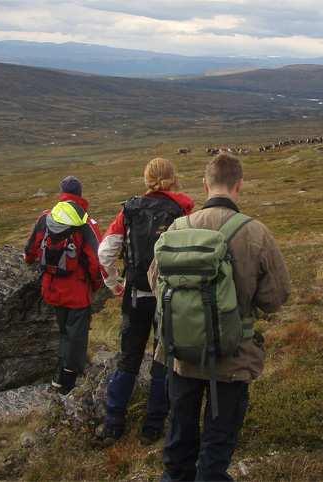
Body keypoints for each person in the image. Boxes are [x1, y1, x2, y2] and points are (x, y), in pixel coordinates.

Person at [149, 154, 291, 482]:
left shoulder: (177, 227)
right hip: (233, 355)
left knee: (179, 438)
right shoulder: (255, 232)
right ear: (239, 185)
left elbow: (154, 281)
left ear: (205, 185)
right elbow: (276, 298)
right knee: (218, 442)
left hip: (180, 353)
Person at [97, 158, 194, 445]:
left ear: (146, 178)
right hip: (170, 296)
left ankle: (113, 423)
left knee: (128, 360)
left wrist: (116, 285)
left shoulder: (129, 210)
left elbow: (104, 254)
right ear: (173, 178)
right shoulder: (184, 210)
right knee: (163, 361)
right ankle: (153, 427)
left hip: (136, 294)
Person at [23, 176, 102, 394]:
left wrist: (31, 261)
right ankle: (66, 381)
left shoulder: (46, 217)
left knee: (63, 333)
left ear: (62, 193)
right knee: (75, 336)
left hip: (51, 288)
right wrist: (95, 285)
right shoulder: (86, 222)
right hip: (77, 292)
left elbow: (30, 251)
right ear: (80, 194)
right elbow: (97, 261)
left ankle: (62, 372)